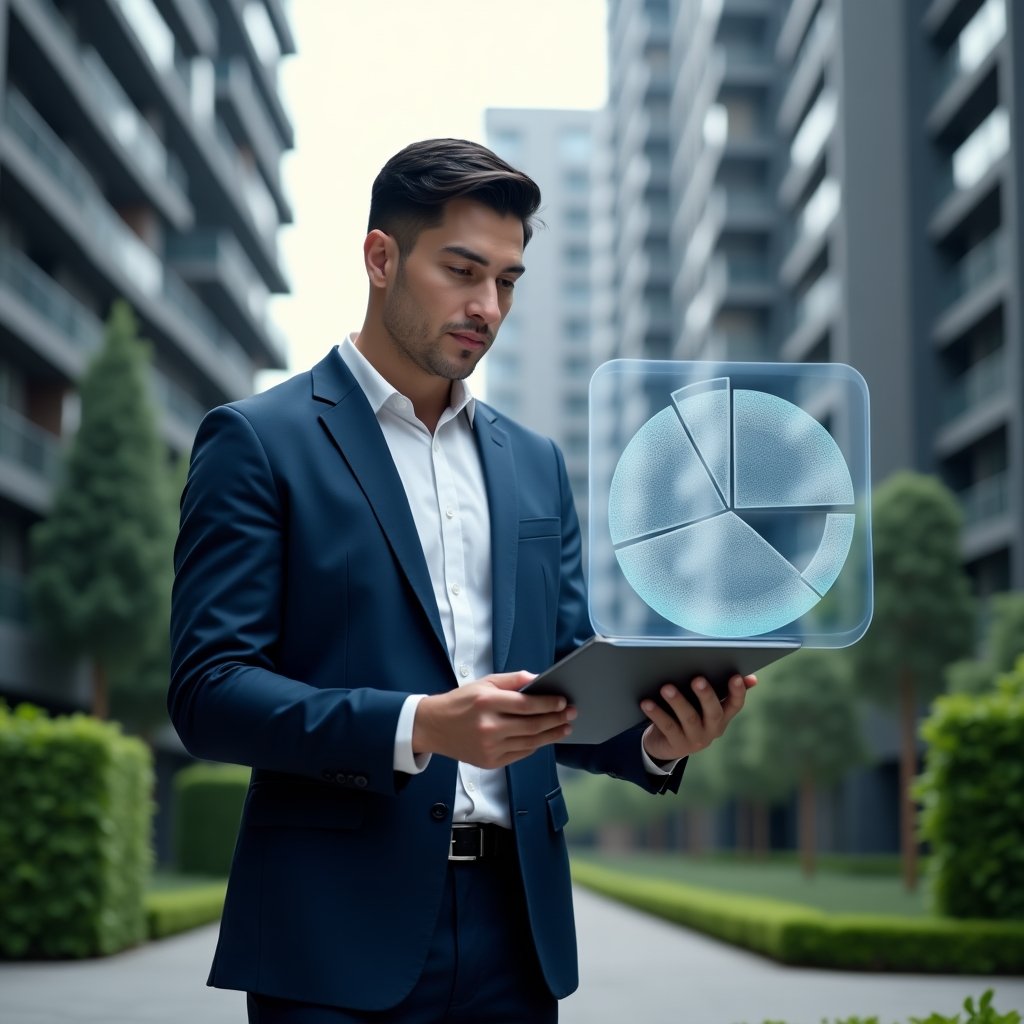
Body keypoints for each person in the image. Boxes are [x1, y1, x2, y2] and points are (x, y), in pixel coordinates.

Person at [169, 138, 754, 1024]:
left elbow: (557, 684)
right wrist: (420, 726)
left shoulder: (535, 465)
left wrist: (659, 739)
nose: (488, 306)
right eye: (463, 270)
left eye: (509, 281)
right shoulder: (258, 441)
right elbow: (210, 692)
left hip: (516, 939)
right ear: (380, 258)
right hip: (332, 935)